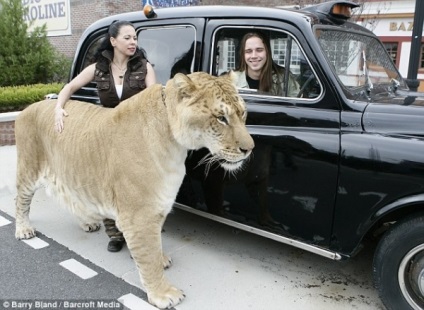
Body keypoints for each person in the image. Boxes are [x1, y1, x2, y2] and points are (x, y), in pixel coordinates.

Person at [54, 20, 156, 253]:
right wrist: (58, 107)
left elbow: (153, 101)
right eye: (127, 38)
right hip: (107, 137)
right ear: (113, 41)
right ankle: (114, 233)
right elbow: (69, 88)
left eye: (135, 38)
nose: (133, 42)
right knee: (108, 186)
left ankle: (139, 233)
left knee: (137, 188)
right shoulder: (98, 68)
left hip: (136, 136)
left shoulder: (145, 67)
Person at [233, 32, 299, 97]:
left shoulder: (284, 79)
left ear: (267, 52)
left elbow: (298, 105)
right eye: (248, 51)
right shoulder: (231, 81)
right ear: (243, 55)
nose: (254, 56)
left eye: (259, 50)